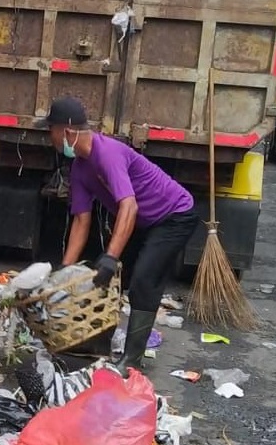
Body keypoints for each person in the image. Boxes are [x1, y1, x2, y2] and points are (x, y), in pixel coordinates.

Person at [44, 97, 198, 375]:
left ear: (65, 131)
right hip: (143, 221)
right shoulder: (79, 167)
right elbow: (81, 219)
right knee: (109, 279)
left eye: (50, 130)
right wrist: (64, 271)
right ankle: (97, 345)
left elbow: (129, 205)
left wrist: (111, 256)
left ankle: (131, 361)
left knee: (143, 281)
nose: (49, 137)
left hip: (174, 216)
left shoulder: (107, 154)